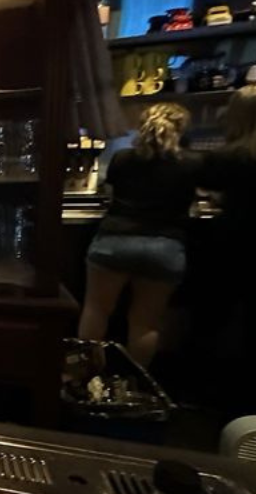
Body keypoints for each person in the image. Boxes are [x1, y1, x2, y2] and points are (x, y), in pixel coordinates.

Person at [77, 103, 201, 367]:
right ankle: (135, 387)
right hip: (164, 247)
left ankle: (86, 380)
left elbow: (108, 196)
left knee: (97, 311)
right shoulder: (191, 162)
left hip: (115, 241)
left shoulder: (122, 158)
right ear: (180, 129)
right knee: (145, 324)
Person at [197, 83, 256, 410]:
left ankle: (209, 396)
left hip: (231, 246)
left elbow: (208, 190)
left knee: (214, 318)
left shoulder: (227, 157)